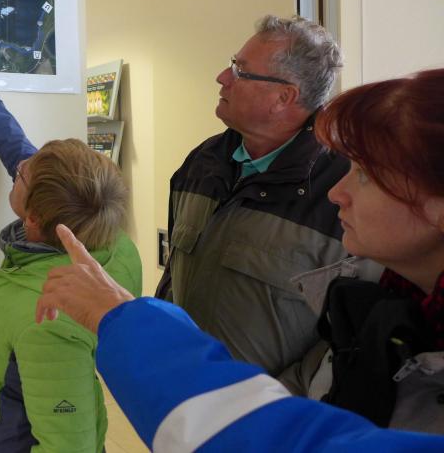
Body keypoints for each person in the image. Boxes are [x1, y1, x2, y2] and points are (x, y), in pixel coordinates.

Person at [36, 69, 444, 450]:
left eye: (366, 174)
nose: (338, 193)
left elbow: (283, 439)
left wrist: (123, 319)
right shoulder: (377, 306)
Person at [0, 52, 143, 453]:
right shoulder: (108, 240)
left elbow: (70, 445)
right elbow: (21, 155)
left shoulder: (47, 318)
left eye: (22, 174)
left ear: (33, 216)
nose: (19, 165)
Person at [155, 15, 350, 375]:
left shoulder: (345, 191)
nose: (222, 77)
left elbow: (348, 336)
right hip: (182, 390)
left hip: (271, 407)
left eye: (239, 71)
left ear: (284, 97)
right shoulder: (201, 163)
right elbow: (174, 277)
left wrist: (281, 397)